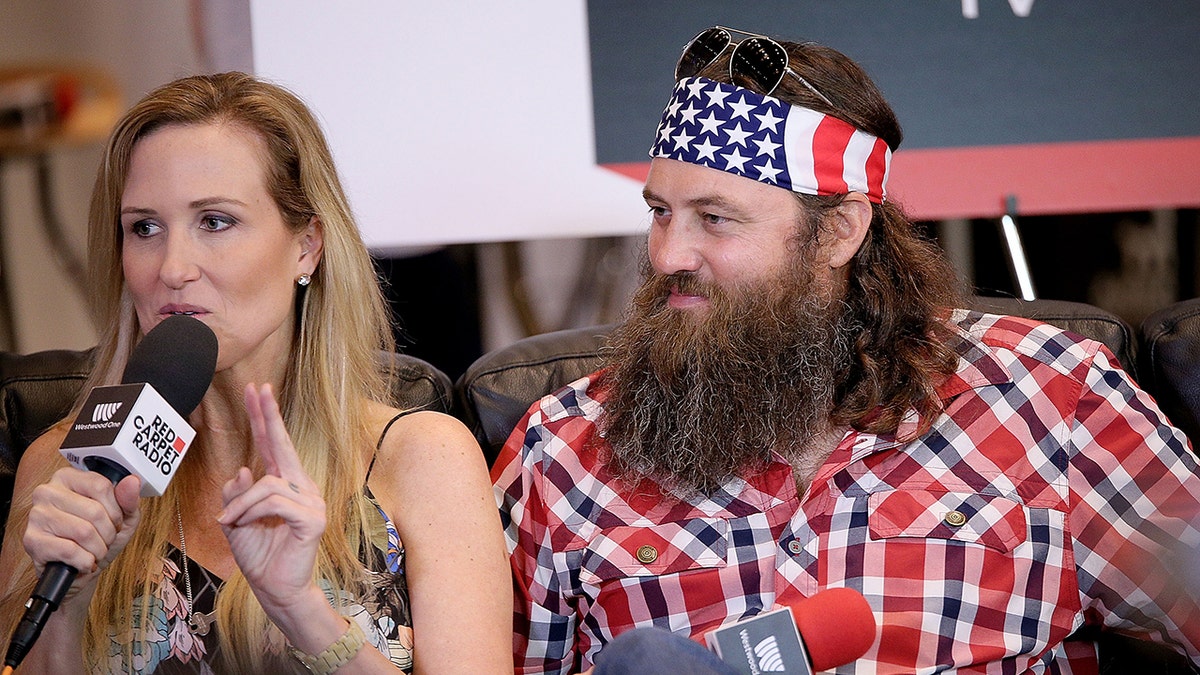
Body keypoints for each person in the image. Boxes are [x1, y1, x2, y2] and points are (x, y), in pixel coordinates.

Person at [491, 26, 1200, 673]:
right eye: (659, 212)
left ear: (838, 233)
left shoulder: (1053, 398)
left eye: (715, 218)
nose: (670, 252)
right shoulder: (563, 449)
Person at [0, 72, 512, 674]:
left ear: (307, 245)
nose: (173, 267)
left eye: (215, 221)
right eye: (145, 227)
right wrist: (69, 603)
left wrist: (304, 614)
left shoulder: (424, 458)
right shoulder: (62, 466)